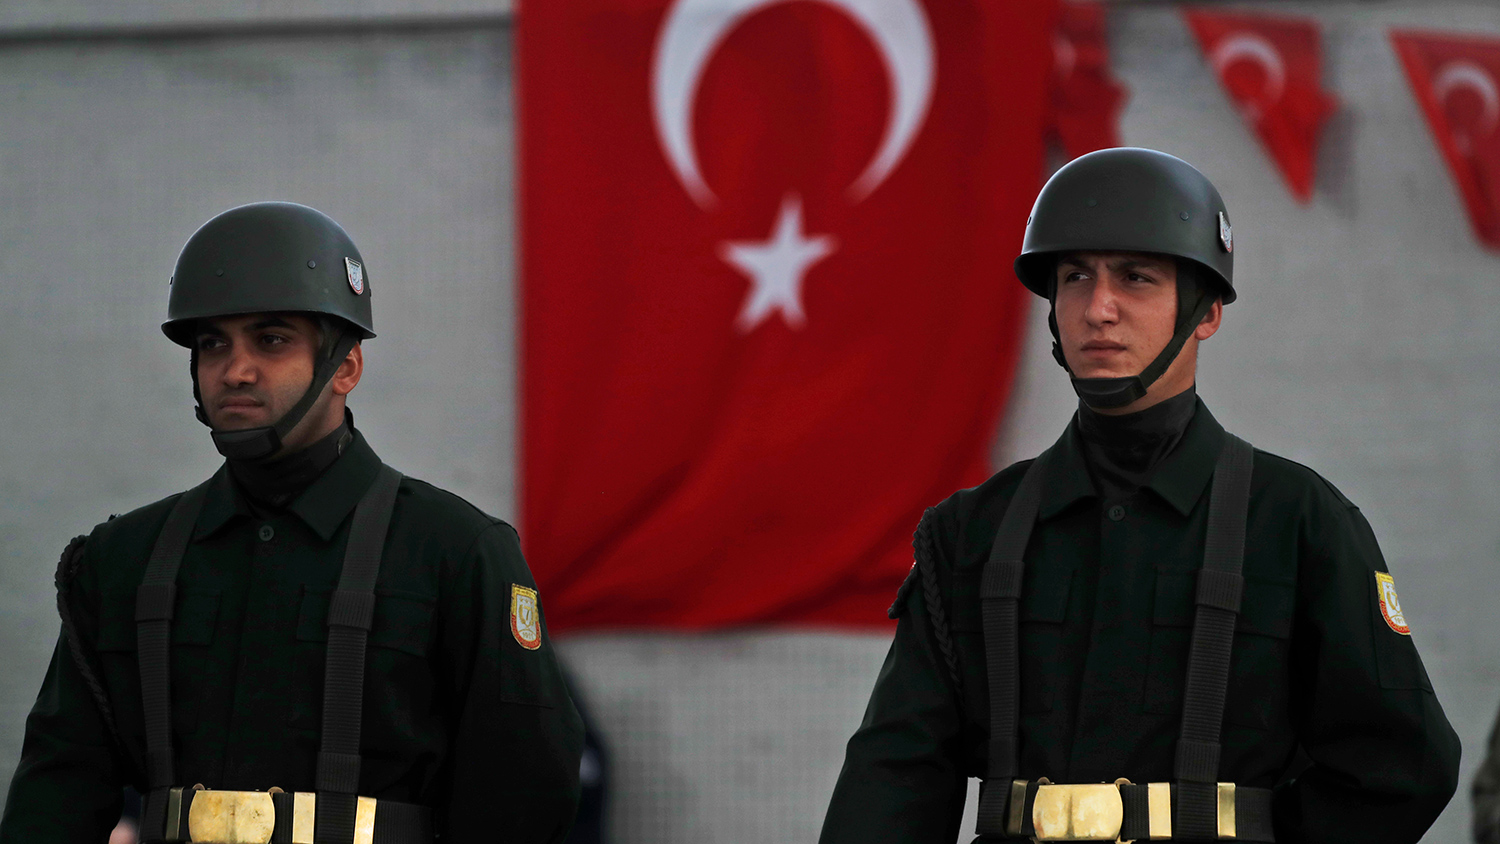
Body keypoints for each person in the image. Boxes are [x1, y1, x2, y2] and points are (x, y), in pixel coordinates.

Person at [819, 148, 1459, 844]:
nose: (1099, 309)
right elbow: (893, 781)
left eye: (1136, 277)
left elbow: (1402, 767)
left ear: (1206, 312)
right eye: (1075, 277)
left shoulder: (1298, 522)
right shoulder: (968, 534)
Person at [0, 202, 584, 844]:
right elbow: (54, 798)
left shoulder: (456, 552)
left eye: (271, 340)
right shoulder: (122, 561)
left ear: (346, 367)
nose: (236, 370)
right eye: (212, 344)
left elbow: (522, 799)